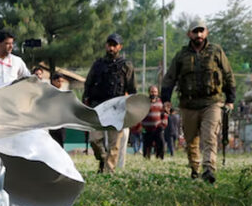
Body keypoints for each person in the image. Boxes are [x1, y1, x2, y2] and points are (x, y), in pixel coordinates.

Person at [162, 19, 236, 183]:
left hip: (212, 102)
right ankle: (195, 169)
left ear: (206, 32)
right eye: (195, 31)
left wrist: (230, 99)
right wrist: (166, 99)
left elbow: (228, 74)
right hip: (188, 104)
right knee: (191, 141)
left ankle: (209, 168)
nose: (199, 34)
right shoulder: (181, 55)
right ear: (189, 34)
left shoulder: (216, 51)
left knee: (210, 136)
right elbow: (169, 78)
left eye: (201, 31)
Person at [82, 33, 136, 173]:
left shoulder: (126, 65)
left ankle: (108, 171)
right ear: (106, 45)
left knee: (114, 143)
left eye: (114, 45)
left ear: (120, 47)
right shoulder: (98, 64)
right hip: (98, 107)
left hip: (117, 108)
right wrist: (85, 102)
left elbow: (132, 90)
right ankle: (103, 158)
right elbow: (88, 84)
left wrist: (131, 108)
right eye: (109, 45)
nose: (111, 48)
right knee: (94, 140)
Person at [141, 85, 168, 160]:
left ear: (157, 93)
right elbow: (140, 114)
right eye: (152, 92)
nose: (153, 93)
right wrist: (142, 125)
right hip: (147, 129)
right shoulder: (144, 102)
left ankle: (160, 158)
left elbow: (165, 114)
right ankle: (146, 158)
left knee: (161, 144)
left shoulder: (161, 102)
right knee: (147, 145)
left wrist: (163, 124)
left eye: (155, 92)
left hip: (158, 128)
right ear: (149, 92)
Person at [48, 72, 70, 146]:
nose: (60, 83)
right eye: (58, 81)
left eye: (61, 81)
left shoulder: (64, 92)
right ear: (53, 81)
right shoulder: (49, 92)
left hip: (61, 121)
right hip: (52, 121)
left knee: (61, 140)